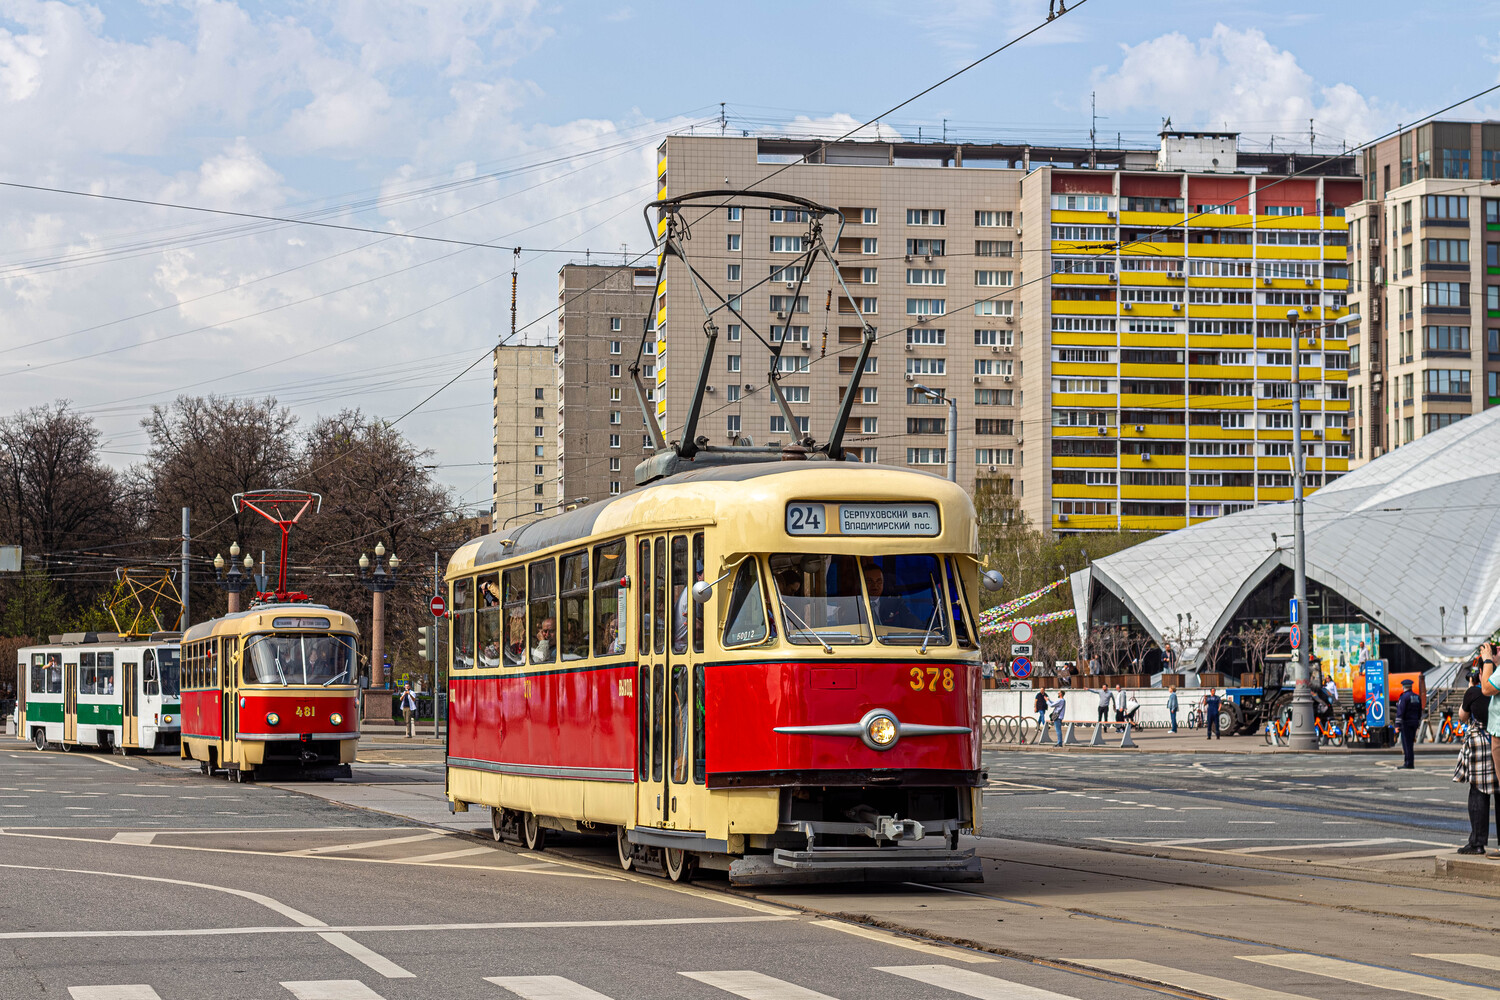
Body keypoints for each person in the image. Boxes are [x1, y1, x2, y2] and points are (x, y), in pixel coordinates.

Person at [1454, 664, 1496, 855]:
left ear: (1480, 673)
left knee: (1478, 792)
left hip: (1481, 743)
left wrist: (1472, 686)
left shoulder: (1474, 692)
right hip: (1497, 738)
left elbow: (1462, 716)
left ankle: (1477, 842)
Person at [863, 563, 924, 629]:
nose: (875, 585)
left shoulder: (895, 604)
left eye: (879, 581)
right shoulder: (854, 606)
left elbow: (915, 624)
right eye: (869, 581)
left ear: (883, 583)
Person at [674, 561, 703, 652]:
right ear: (698, 576)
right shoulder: (697, 592)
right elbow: (697, 629)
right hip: (682, 650)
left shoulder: (689, 590)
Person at [1395, 678, 1423, 769]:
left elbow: (1400, 712)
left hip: (1406, 723)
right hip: (1414, 723)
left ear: (1403, 687)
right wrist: (1417, 721)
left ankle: (1408, 763)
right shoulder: (1417, 697)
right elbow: (1419, 711)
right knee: (1410, 743)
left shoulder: (1404, 697)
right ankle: (1410, 762)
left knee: (1406, 744)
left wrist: (1397, 725)